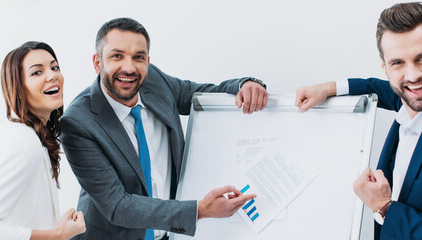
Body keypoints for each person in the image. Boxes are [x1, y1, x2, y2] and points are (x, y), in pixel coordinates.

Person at [295, 2, 422, 239]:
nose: (413, 75)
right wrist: (330, 88)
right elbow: (384, 89)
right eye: (398, 63)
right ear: (385, 67)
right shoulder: (415, 96)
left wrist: (384, 207)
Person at [60, 18, 267, 240]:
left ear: (148, 61)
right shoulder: (78, 123)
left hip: (167, 236)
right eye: (117, 56)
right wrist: (200, 210)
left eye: (138, 57)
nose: (129, 68)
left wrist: (245, 84)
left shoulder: (155, 81)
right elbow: (118, 205)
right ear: (97, 62)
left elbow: (203, 95)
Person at [0, 41, 86, 240]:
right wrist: (58, 234)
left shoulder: (31, 136)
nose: (52, 75)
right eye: (37, 72)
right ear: (18, 87)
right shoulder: (22, 141)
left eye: (54, 67)